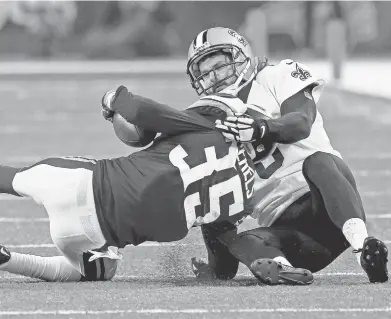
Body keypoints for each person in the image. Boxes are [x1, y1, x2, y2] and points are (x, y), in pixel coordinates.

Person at [185, 26, 388, 284]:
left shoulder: (275, 76)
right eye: (205, 74)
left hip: (328, 201)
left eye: (219, 66)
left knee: (318, 161)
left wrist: (261, 129)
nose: (214, 77)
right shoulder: (208, 125)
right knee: (226, 221)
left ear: (240, 57)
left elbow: (301, 122)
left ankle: (363, 249)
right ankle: (279, 267)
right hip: (293, 238)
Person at [0, 87, 258, 282]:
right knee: (98, 272)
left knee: (11, 178)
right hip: (86, 235)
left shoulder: (203, 127)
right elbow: (224, 267)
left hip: (77, 183)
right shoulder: (244, 197)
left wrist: (113, 98)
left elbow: (136, 111)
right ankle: (9, 262)